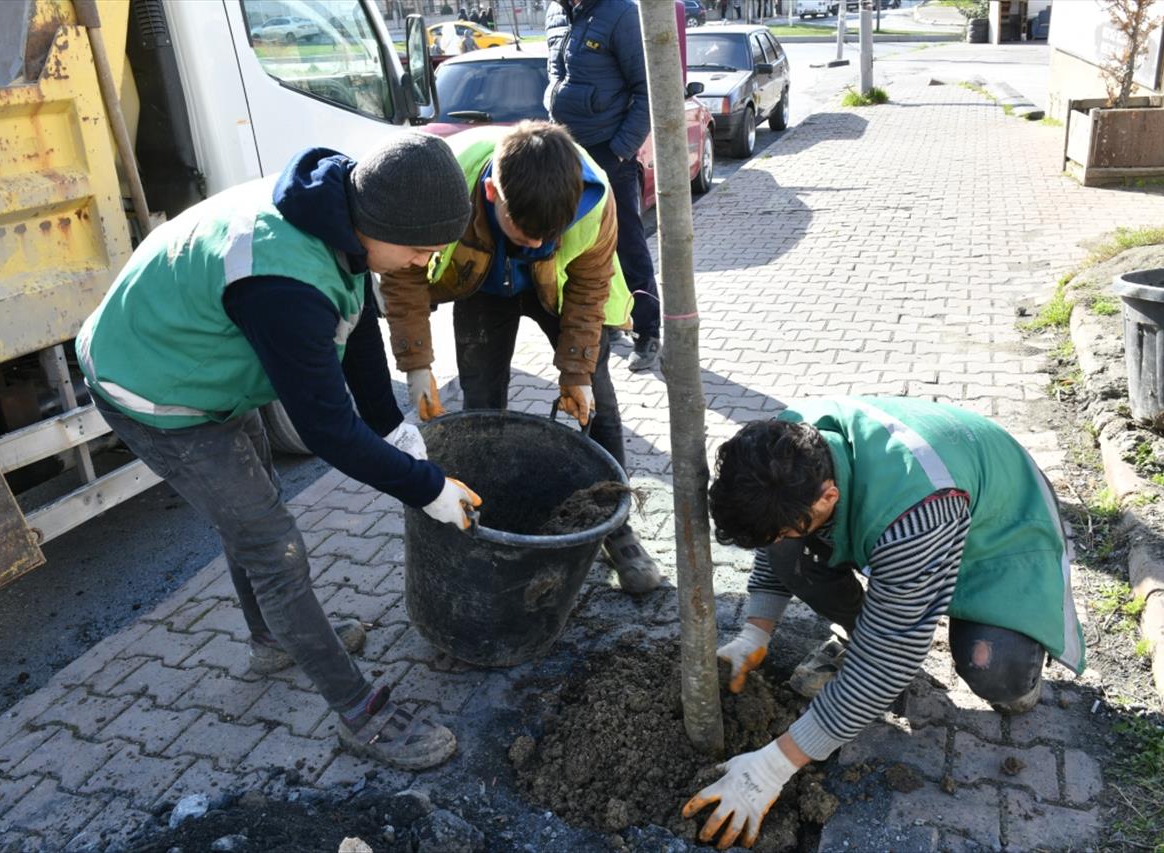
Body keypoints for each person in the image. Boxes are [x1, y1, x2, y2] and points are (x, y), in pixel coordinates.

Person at [76, 133, 479, 772]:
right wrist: (424, 487)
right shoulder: (283, 282)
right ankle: (359, 713)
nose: (422, 265)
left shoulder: (336, 208)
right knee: (273, 543)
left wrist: (395, 429)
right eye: (421, 249)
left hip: (201, 359)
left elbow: (357, 324)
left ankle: (270, 636)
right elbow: (327, 432)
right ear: (376, 224)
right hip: (153, 387)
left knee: (256, 501)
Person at [682, 397, 1087, 849]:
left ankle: (1019, 666)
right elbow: (775, 542)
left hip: (999, 534)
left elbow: (891, 657)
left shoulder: (915, 510)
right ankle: (875, 624)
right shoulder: (788, 450)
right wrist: (755, 632)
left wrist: (771, 767)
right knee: (795, 547)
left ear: (829, 496)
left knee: (992, 667)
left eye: (788, 527)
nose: (780, 539)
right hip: (919, 523)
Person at [376, 121, 662, 595]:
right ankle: (483, 513)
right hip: (482, 286)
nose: (535, 244)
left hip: (561, 288)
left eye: (548, 234)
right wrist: (418, 365)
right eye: (524, 231)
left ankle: (615, 526)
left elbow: (591, 288)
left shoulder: (595, 201)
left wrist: (577, 373)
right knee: (483, 401)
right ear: (491, 192)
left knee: (599, 403)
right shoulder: (446, 185)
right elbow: (403, 276)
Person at [545, 0, 662, 372]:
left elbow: (647, 91)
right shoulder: (555, 13)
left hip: (611, 153)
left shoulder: (621, 12)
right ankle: (605, 321)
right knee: (577, 244)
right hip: (568, 152)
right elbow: (556, 75)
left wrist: (621, 151)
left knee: (627, 246)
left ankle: (647, 331)